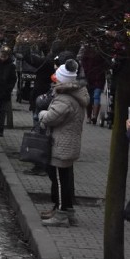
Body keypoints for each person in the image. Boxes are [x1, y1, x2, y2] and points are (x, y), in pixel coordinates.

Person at [39, 59, 88, 227]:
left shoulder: (64, 99)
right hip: (69, 143)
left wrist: (42, 114)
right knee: (65, 179)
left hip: (61, 145)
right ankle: (67, 210)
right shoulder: (76, 94)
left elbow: (51, 118)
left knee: (59, 180)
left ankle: (61, 214)